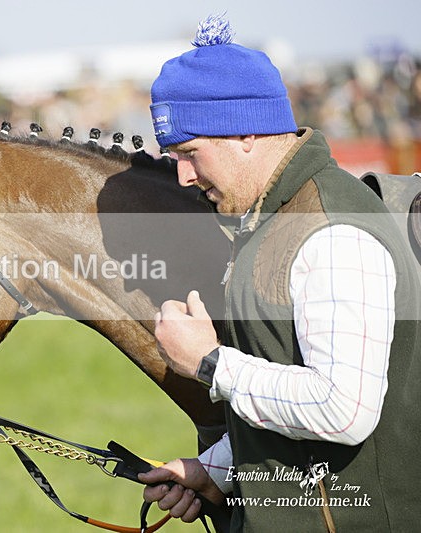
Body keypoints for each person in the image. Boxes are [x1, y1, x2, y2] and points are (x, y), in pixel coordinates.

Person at [139, 15, 421, 532]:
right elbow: (287, 372)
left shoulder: (331, 231)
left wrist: (209, 363)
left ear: (245, 131)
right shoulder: (271, 218)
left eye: (189, 152)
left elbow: (343, 410)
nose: (182, 176)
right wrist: (216, 470)